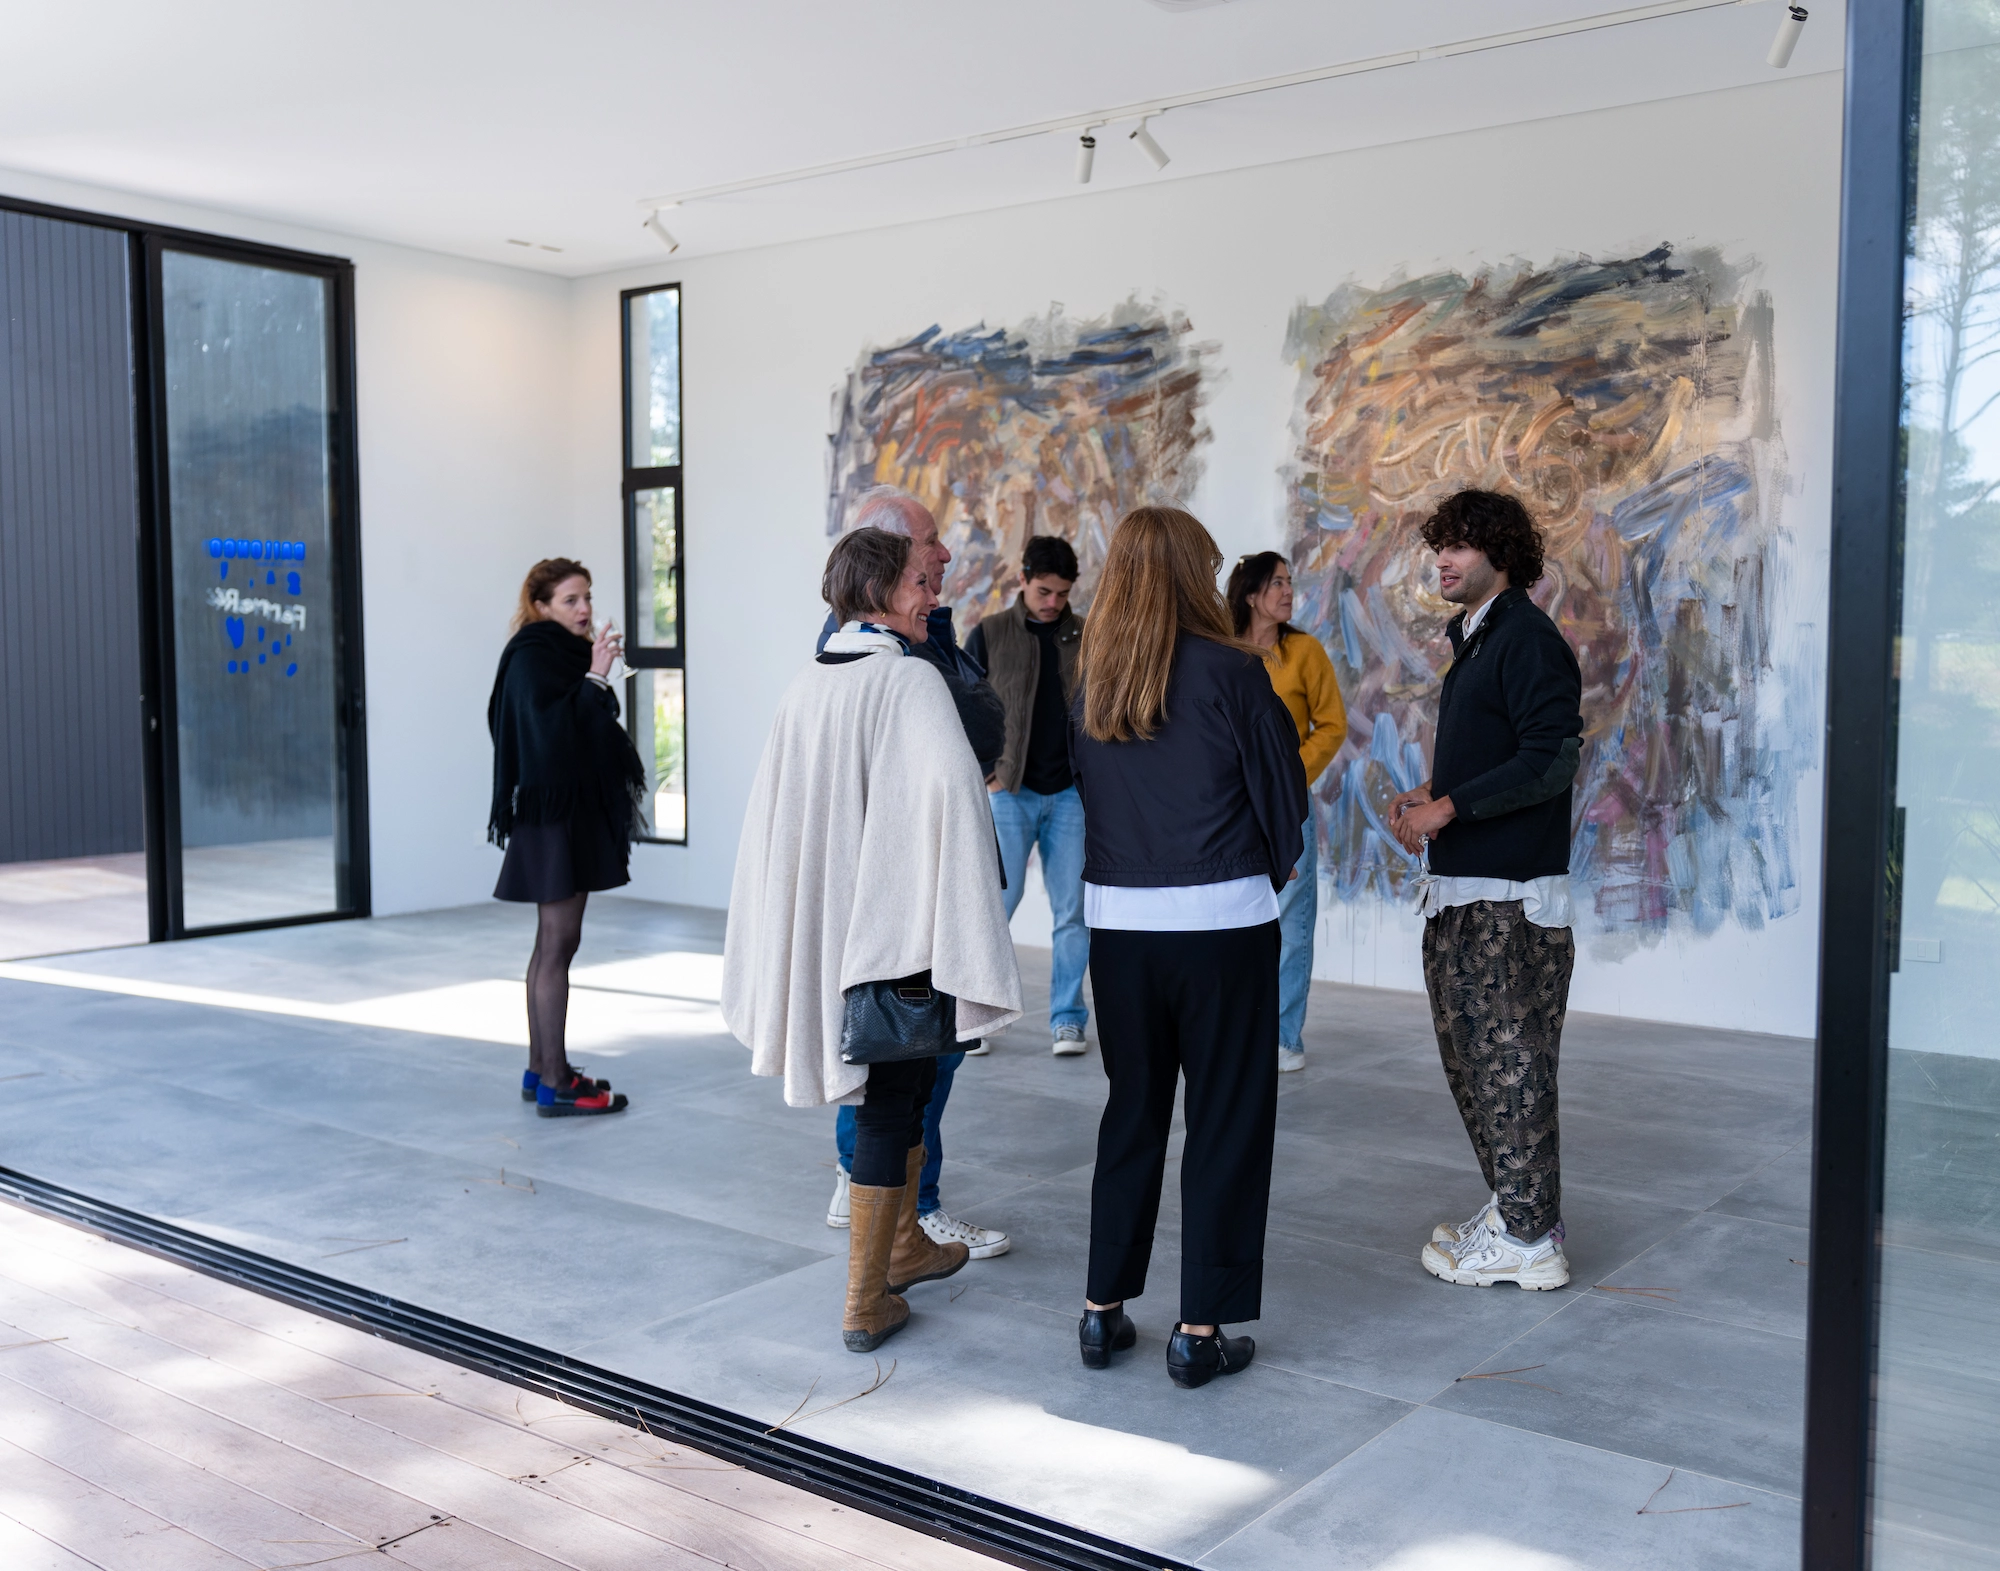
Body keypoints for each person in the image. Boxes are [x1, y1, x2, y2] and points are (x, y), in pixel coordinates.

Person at [723, 528, 1022, 1352]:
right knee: (897, 1096)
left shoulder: (807, 682)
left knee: (898, 1093)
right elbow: (958, 795)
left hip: (834, 925)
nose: (932, 596)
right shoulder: (906, 680)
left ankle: (903, 1246)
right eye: (919, 583)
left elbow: (779, 818)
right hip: (897, 930)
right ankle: (866, 1297)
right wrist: (959, 914)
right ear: (881, 591)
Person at [1069, 507, 1307, 1389]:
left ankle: (1101, 1311)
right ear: (1185, 575)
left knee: (1131, 1110)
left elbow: (1088, 797)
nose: (1214, 585)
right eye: (1206, 570)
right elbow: (1284, 799)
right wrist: (1265, 870)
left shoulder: (1093, 681)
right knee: (1225, 1120)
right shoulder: (1233, 670)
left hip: (1118, 929)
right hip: (1221, 927)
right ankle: (1197, 1331)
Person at [1389, 488, 1583, 1292]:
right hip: (1469, 890)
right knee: (1476, 1064)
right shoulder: (1478, 639)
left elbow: (1551, 758)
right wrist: (1435, 791)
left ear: (1501, 553)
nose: (1444, 559)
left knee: (1511, 1067)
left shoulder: (1526, 638)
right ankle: (1514, 1209)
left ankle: (1531, 1240)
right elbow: (1502, 754)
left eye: (1461, 545)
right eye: (1441, 544)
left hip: (1510, 900)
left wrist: (1448, 807)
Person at [820, 487, 1012, 1265]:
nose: (944, 556)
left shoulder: (899, 643)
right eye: (930, 544)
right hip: (908, 885)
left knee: (907, 1050)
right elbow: (971, 734)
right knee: (902, 1050)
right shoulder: (888, 660)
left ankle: (885, 1208)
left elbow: (977, 727)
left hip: (908, 876)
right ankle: (908, 1213)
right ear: (887, 567)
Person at [487, 558, 641, 1118]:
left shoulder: (559, 653)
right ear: (541, 606)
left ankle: (542, 1069)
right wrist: (596, 675)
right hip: (554, 816)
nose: (584, 609)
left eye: (587, 597)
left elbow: (585, 724)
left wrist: (595, 674)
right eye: (571, 600)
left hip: (564, 814)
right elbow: (551, 736)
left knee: (553, 946)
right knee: (558, 945)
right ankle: (555, 1082)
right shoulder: (533, 654)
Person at [964, 535, 1089, 1058]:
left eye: (1062, 594)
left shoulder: (1087, 636)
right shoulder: (990, 633)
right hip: (1009, 793)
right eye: (1044, 591)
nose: (1053, 603)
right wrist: (986, 775)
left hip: (1071, 796)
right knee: (995, 907)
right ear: (1023, 580)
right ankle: (974, 1018)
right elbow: (963, 705)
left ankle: (1068, 1020)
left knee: (1073, 913)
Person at [1227, 552, 1347, 1074]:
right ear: (1251, 594)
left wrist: (1290, 776)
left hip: (1289, 806)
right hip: (1229, 807)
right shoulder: (1223, 649)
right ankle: (1237, 1031)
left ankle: (1283, 1036)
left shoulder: (1304, 651)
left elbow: (1332, 725)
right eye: (1277, 583)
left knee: (1293, 922)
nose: (1288, 591)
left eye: (1290, 582)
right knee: (1233, 916)